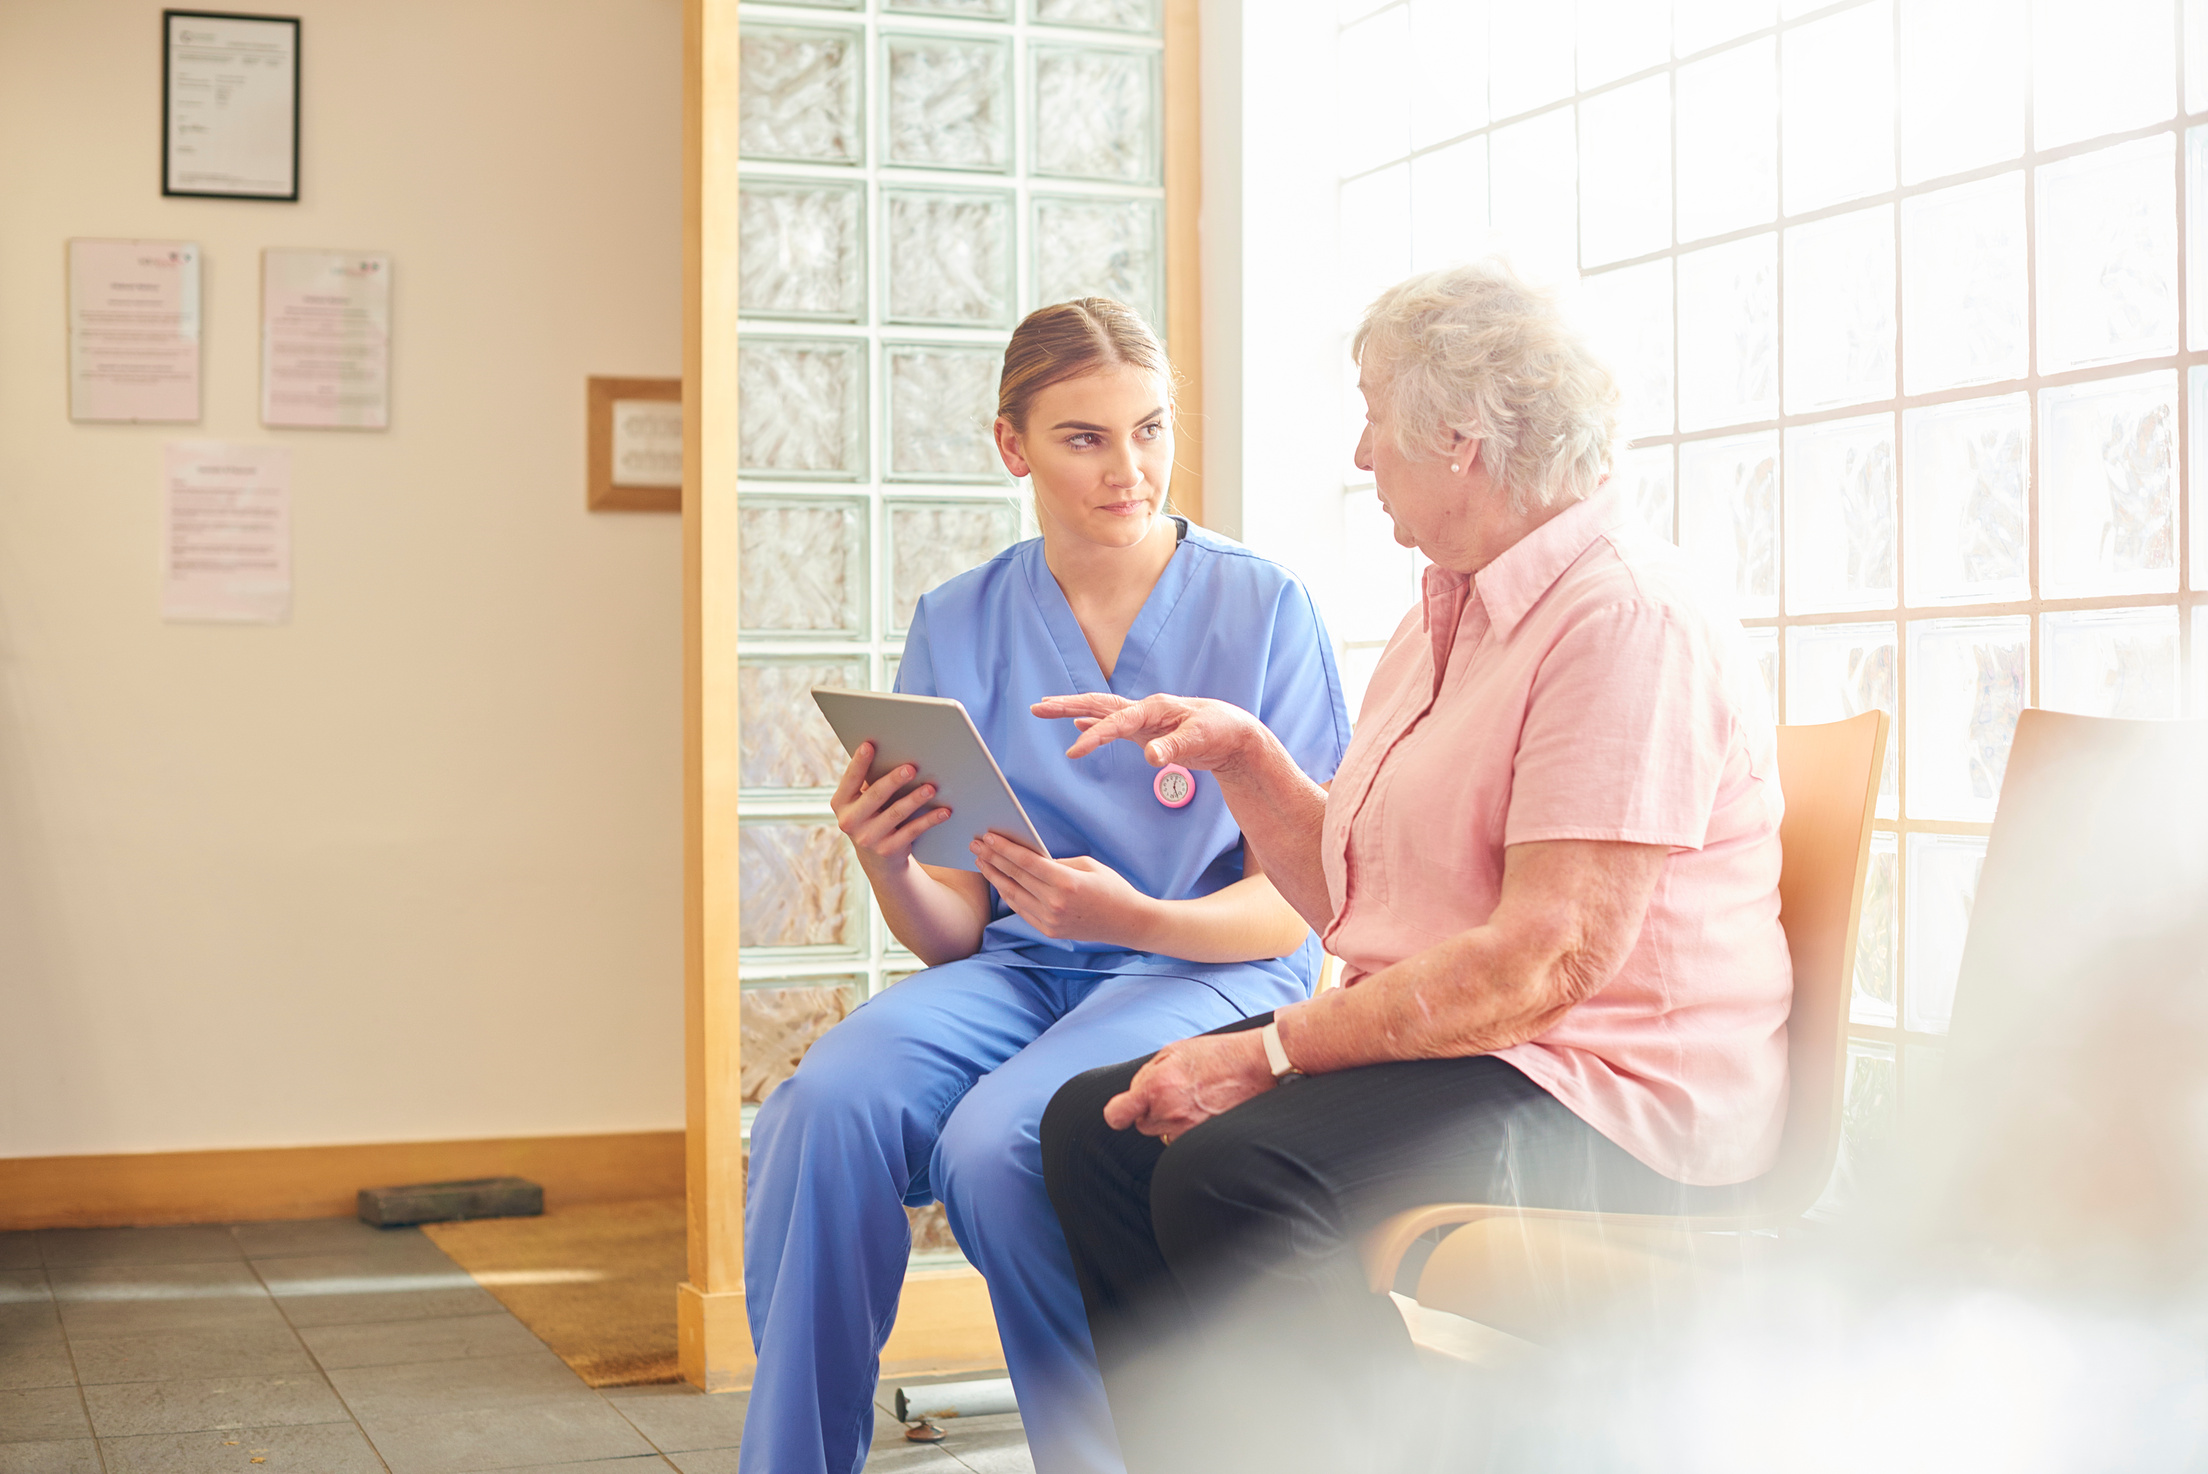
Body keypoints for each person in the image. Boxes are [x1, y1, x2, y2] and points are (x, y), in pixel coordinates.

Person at [1036, 259, 1792, 1473]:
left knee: (1229, 1173)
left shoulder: (1627, 618)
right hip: (1491, 1050)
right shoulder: (1450, 612)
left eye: (1375, 412)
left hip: (1611, 1094)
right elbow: (1368, 909)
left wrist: (1264, 1050)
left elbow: (1541, 965)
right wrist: (1250, 763)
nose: (1359, 449)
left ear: (1460, 440)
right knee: (1100, 1127)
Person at [738, 298, 1352, 1474]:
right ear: (1012, 446)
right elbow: (959, 929)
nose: (1130, 469)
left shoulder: (1264, 608)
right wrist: (884, 856)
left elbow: (1308, 904)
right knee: (820, 1109)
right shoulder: (959, 620)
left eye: (1151, 429)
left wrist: (1127, 917)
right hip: (1025, 972)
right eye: (1085, 438)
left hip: (1208, 967)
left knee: (998, 1143)